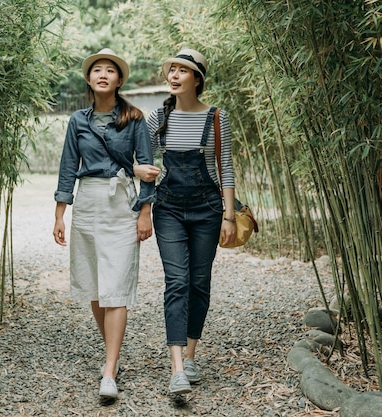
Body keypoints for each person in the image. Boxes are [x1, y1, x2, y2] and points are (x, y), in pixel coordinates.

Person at [53, 48, 157, 399]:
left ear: (119, 79)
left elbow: (147, 164)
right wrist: (59, 215)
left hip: (121, 202)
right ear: (88, 79)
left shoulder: (134, 117)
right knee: (97, 288)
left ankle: (109, 370)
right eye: (96, 70)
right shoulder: (77, 121)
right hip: (87, 202)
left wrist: (145, 211)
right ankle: (113, 354)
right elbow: (69, 167)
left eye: (110, 70)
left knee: (116, 286)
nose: (102, 74)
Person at [139, 48, 236, 395]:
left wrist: (228, 216)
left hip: (208, 208)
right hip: (169, 208)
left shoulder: (216, 118)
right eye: (173, 69)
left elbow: (226, 168)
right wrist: (144, 207)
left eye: (183, 70)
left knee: (199, 282)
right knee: (177, 282)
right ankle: (177, 367)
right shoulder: (156, 120)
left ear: (197, 79)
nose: (175, 75)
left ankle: (191, 356)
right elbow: (141, 163)